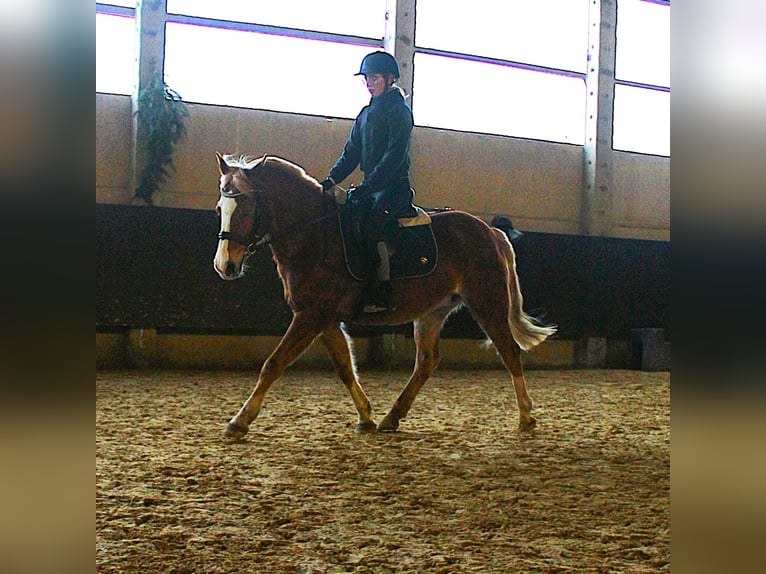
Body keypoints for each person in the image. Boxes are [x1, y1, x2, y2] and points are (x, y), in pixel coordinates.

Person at [320, 51, 416, 314]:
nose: (369, 83)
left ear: (389, 78)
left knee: (372, 229)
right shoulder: (364, 114)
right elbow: (351, 153)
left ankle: (382, 292)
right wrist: (330, 180)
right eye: (366, 79)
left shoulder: (400, 112)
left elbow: (394, 156)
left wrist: (369, 186)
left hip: (393, 189)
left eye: (373, 78)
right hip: (370, 188)